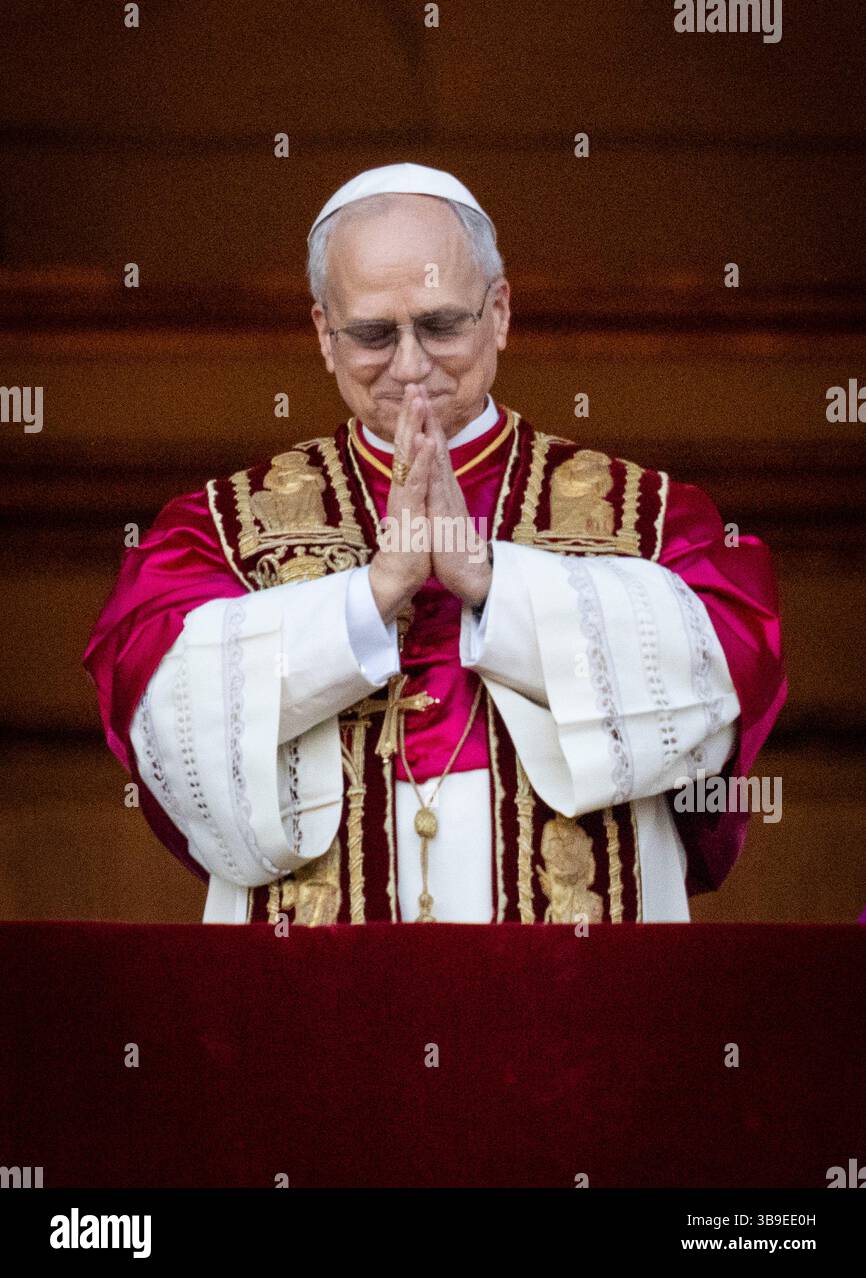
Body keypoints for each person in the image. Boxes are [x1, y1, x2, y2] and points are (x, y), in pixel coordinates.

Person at [83, 162, 787, 926]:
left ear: (501, 312)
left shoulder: (646, 516)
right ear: (323, 333)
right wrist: (370, 596)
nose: (411, 367)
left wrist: (491, 583)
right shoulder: (218, 528)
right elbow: (155, 700)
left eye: (442, 325)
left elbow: (729, 669)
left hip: (577, 983)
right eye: (373, 335)